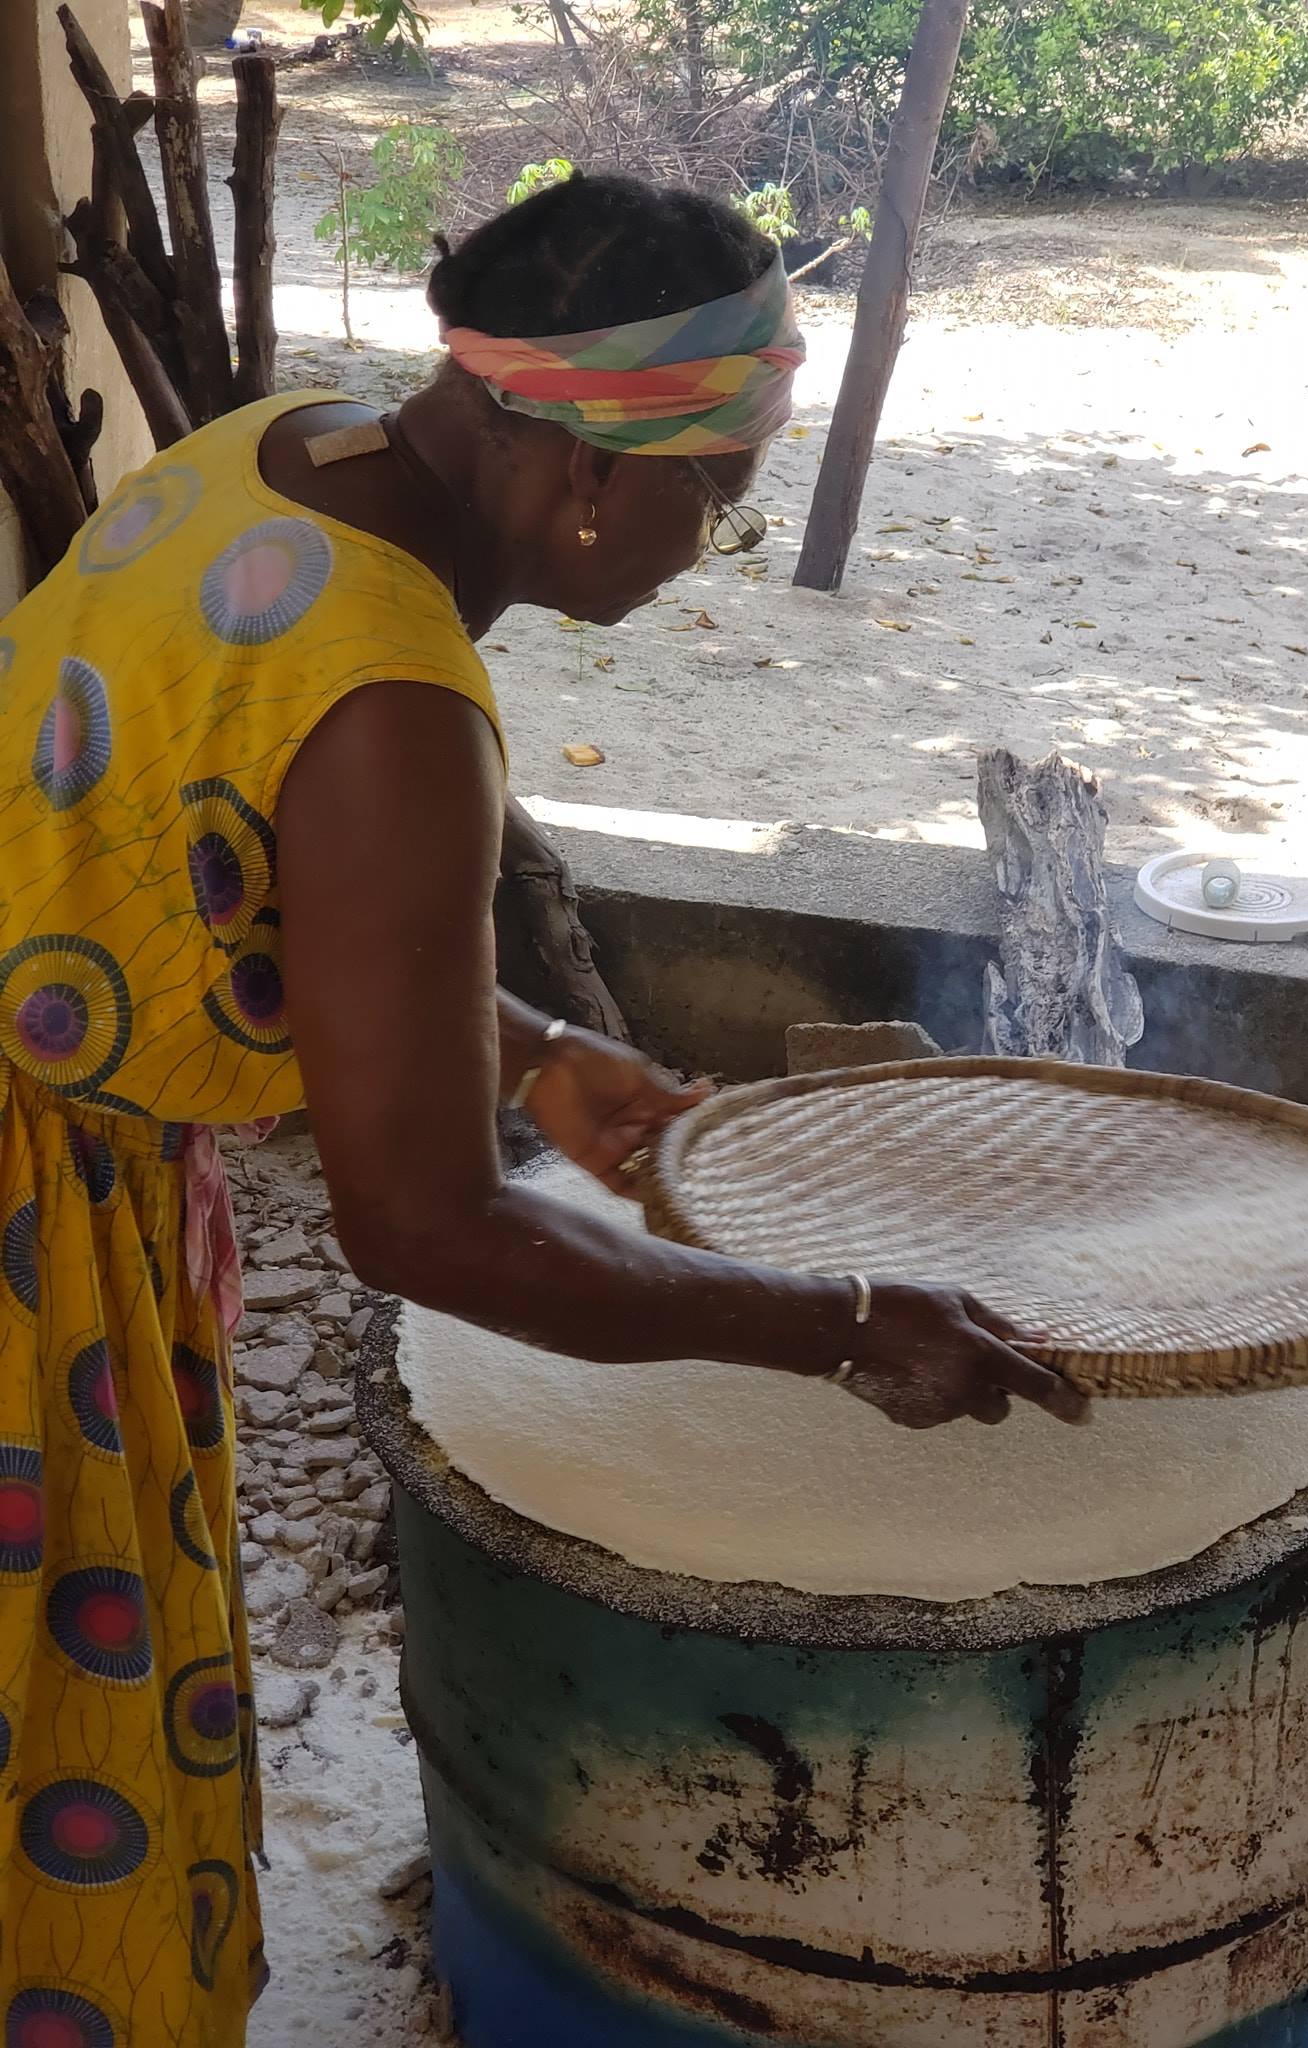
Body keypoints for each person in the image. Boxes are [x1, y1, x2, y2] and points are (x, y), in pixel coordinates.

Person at [0, 171, 1084, 2043]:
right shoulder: (401, 702)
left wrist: (528, 1050)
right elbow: (424, 1228)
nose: (710, 547)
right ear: (588, 469)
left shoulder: (283, 451)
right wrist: (844, 1324)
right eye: (718, 498)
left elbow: (240, 879)